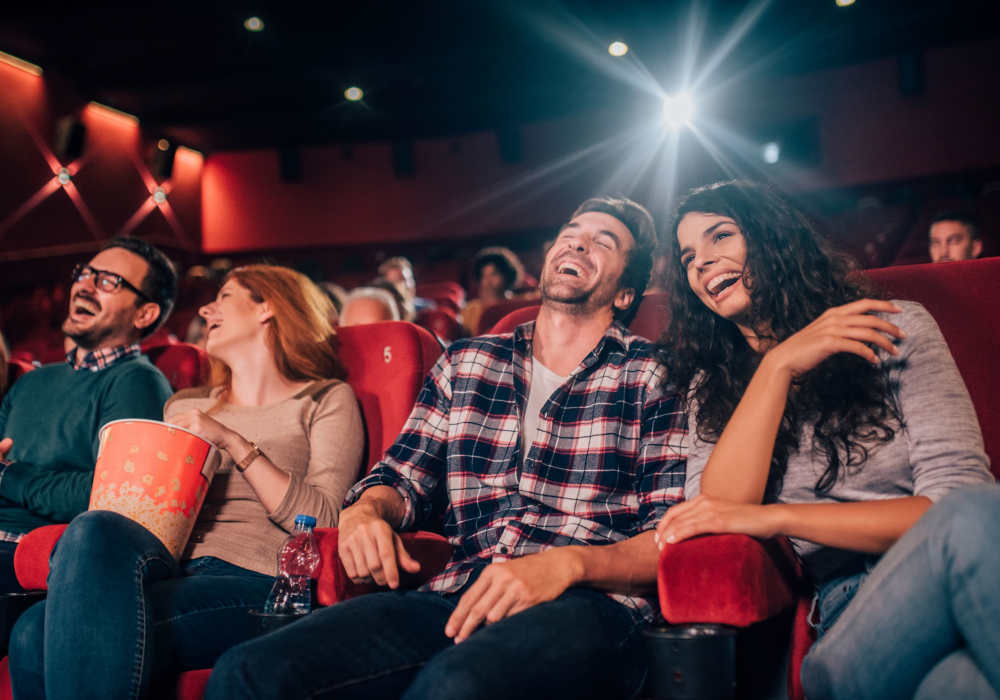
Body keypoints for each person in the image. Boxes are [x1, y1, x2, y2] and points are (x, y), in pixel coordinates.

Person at [204, 196, 686, 700]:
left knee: (453, 686)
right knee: (248, 670)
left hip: (588, 604)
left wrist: (569, 566)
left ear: (626, 293)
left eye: (603, 241)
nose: (579, 242)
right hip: (460, 589)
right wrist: (367, 512)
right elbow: (400, 478)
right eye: (573, 230)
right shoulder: (466, 362)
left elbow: (668, 539)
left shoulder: (652, 375)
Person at [654, 180, 996, 700]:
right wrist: (778, 365)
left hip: (957, 582)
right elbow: (717, 511)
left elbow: (957, 502)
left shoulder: (893, 328)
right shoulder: (712, 385)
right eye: (688, 257)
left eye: (720, 235)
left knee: (963, 686)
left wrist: (777, 518)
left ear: (773, 238)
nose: (701, 262)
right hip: (851, 616)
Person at [8, 265, 365, 699]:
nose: (208, 309)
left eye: (226, 297)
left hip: (254, 578)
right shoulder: (187, 403)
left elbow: (324, 516)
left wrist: (231, 442)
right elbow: (146, 513)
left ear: (267, 307)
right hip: (167, 567)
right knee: (79, 549)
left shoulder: (323, 398)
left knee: (33, 635)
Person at [0, 238, 177, 591]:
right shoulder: (34, 381)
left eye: (107, 281)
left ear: (145, 313)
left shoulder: (137, 381)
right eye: (85, 274)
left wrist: (11, 478)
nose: (84, 285)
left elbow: (110, 497)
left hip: (32, 553)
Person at [461, 246, 526, 334]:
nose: (488, 281)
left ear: (507, 276)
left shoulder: (518, 306)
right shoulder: (470, 310)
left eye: (494, 274)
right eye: (484, 276)